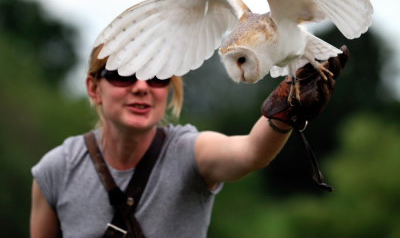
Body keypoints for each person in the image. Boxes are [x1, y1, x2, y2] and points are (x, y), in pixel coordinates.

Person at [30, 39, 348, 237]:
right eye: (123, 74)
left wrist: (287, 110)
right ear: (93, 88)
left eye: (156, 76)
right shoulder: (56, 169)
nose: (141, 86)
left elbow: (251, 152)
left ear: (169, 88)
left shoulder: (187, 152)